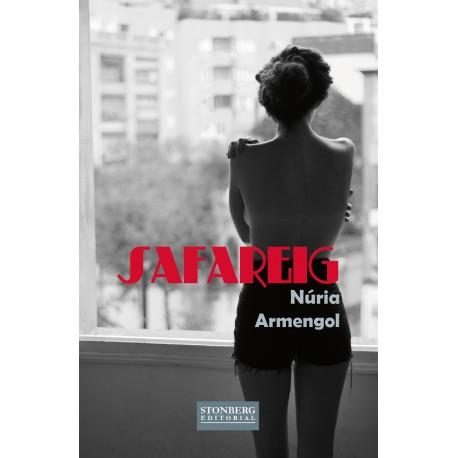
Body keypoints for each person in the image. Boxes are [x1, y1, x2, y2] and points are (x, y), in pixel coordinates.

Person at [227, 45, 354, 458]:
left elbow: (248, 235)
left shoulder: (244, 158)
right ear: (318, 97)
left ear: (269, 103)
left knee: (268, 449)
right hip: (319, 298)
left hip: (265, 298)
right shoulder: (344, 152)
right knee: (318, 448)